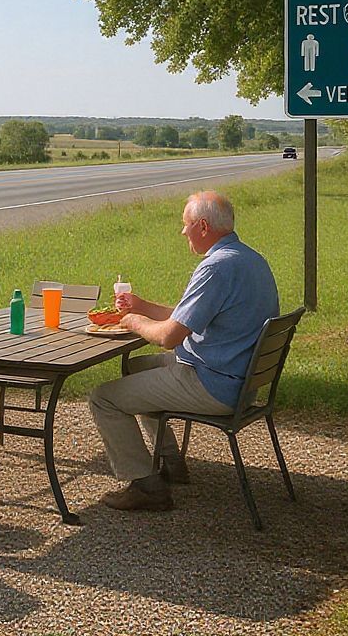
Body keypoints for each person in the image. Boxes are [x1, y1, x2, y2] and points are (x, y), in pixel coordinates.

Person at [88, 190, 280, 511]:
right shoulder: (248, 259)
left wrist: (134, 321)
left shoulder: (215, 268)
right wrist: (141, 306)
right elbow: (186, 316)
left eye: (185, 224)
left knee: (103, 398)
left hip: (214, 385)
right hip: (241, 381)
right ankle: (171, 462)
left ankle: (147, 487)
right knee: (136, 369)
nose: (183, 232)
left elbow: (169, 337)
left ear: (203, 227)